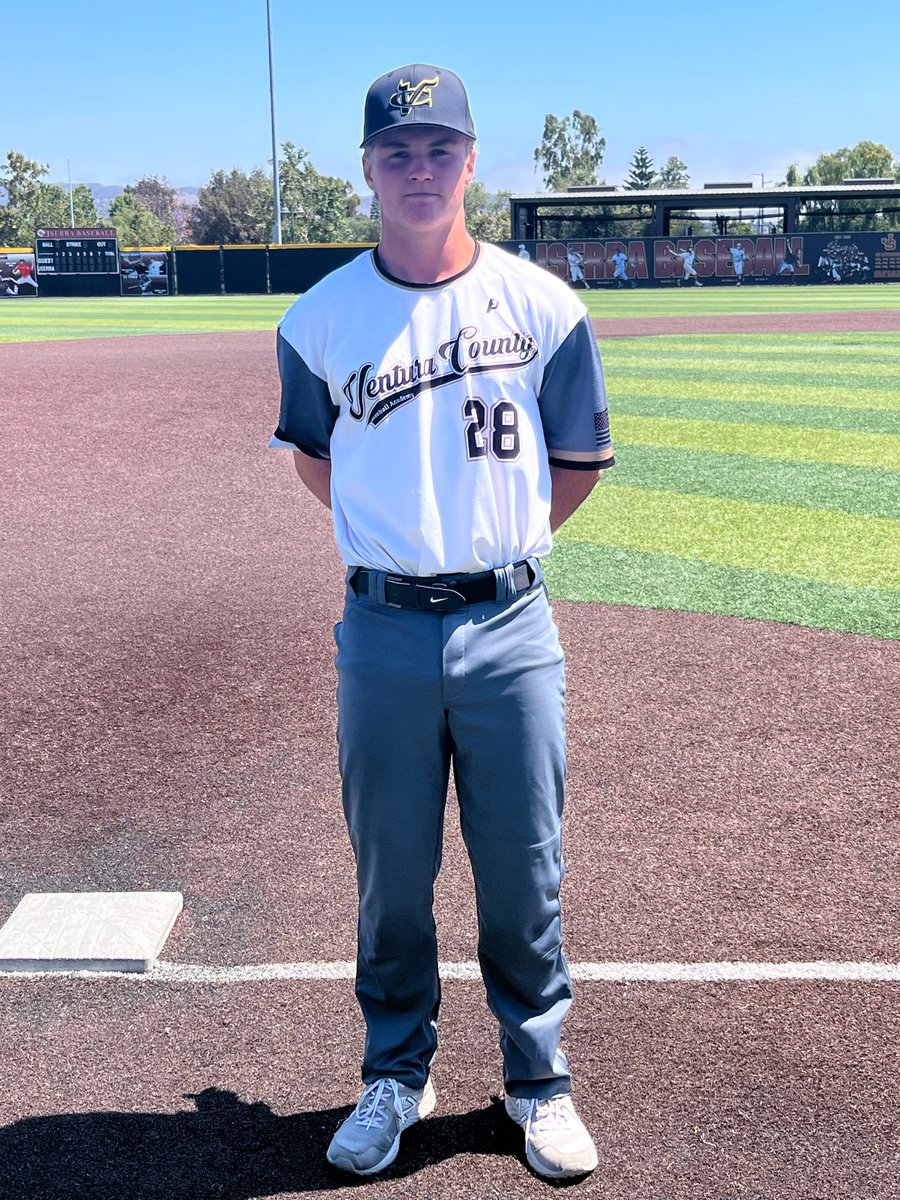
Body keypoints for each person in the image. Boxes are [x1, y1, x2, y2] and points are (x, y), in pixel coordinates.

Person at [270, 63, 613, 1180]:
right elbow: (321, 463)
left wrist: (485, 551)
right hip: (383, 632)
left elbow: (575, 464)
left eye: (439, 149)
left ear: (471, 161)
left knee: (525, 868)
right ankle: (393, 1072)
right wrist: (406, 549)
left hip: (513, 626)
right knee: (390, 870)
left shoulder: (544, 304)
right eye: (396, 151)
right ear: (366, 168)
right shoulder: (318, 319)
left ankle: (538, 1081)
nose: (419, 169)